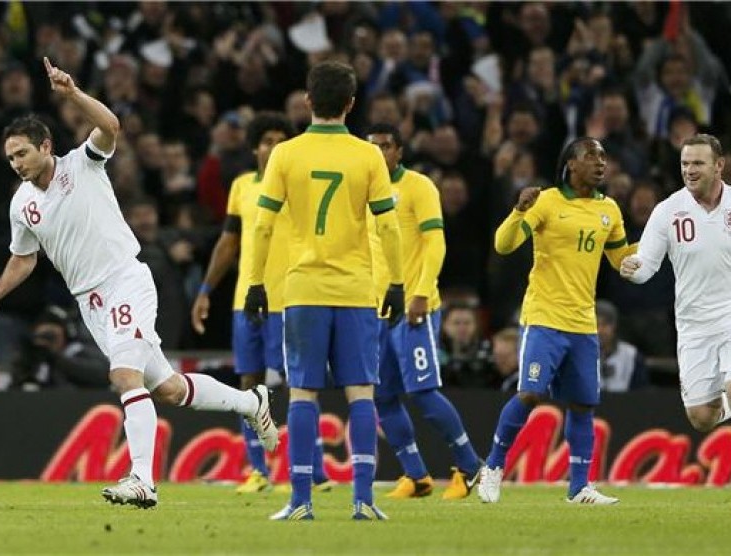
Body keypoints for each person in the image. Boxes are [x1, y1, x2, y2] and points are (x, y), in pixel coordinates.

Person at [0, 58, 278, 509]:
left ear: (45, 145)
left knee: (124, 376)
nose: (17, 164)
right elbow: (24, 258)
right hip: (90, 303)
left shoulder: (82, 164)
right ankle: (252, 403)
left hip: (125, 281)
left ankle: (142, 479)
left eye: (22, 153)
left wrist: (73, 93)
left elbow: (111, 126)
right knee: (170, 390)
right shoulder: (22, 205)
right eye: (11, 158)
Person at [245, 60, 404, 521]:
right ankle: (363, 500)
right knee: (360, 394)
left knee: (302, 394)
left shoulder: (286, 155)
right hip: (356, 290)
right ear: (352, 104)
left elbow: (263, 223)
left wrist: (255, 281)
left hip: (303, 289)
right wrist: (395, 280)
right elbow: (388, 225)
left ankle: (300, 501)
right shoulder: (368, 156)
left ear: (308, 101)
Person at [620, 133, 731, 510]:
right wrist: (633, 268)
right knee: (701, 417)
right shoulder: (667, 211)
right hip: (694, 324)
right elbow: (647, 264)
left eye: (697, 163)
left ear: (719, 166)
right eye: (684, 164)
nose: (689, 170)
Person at [478, 137, 634, 505]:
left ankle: (579, 487)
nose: (600, 162)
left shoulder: (609, 209)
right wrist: (518, 211)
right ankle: (494, 466)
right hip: (544, 315)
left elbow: (621, 260)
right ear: (570, 165)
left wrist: (659, 244)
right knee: (531, 393)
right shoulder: (546, 201)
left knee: (582, 404)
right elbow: (503, 245)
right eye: (591, 155)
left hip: (583, 322)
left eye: (603, 156)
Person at [191, 112, 331, 495]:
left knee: (291, 385)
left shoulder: (303, 187)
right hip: (246, 302)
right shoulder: (242, 187)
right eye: (265, 141)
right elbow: (229, 242)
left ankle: (307, 469)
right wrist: (205, 290)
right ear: (254, 146)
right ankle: (258, 471)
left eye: (279, 140)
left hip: (290, 300)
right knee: (248, 383)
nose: (272, 148)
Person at [365, 123, 482, 500]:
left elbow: (435, 243)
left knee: (424, 393)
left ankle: (471, 467)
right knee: (382, 396)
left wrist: (419, 294)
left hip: (414, 308)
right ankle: (416, 476)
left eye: (386, 146)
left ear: (399, 151)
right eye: (373, 147)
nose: (379, 153)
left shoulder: (419, 187)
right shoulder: (361, 193)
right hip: (375, 310)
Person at [10, 305, 111, 390]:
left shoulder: (79, 350)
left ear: (66, 333)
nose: (47, 340)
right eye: (42, 336)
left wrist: (56, 359)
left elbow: (102, 374)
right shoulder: (33, 358)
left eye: (51, 335)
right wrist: (26, 365)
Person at [595, 300, 650, 392]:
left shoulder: (631, 355)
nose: (600, 330)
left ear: (614, 326)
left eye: (605, 325)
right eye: (595, 325)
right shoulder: (579, 354)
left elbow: (641, 395)